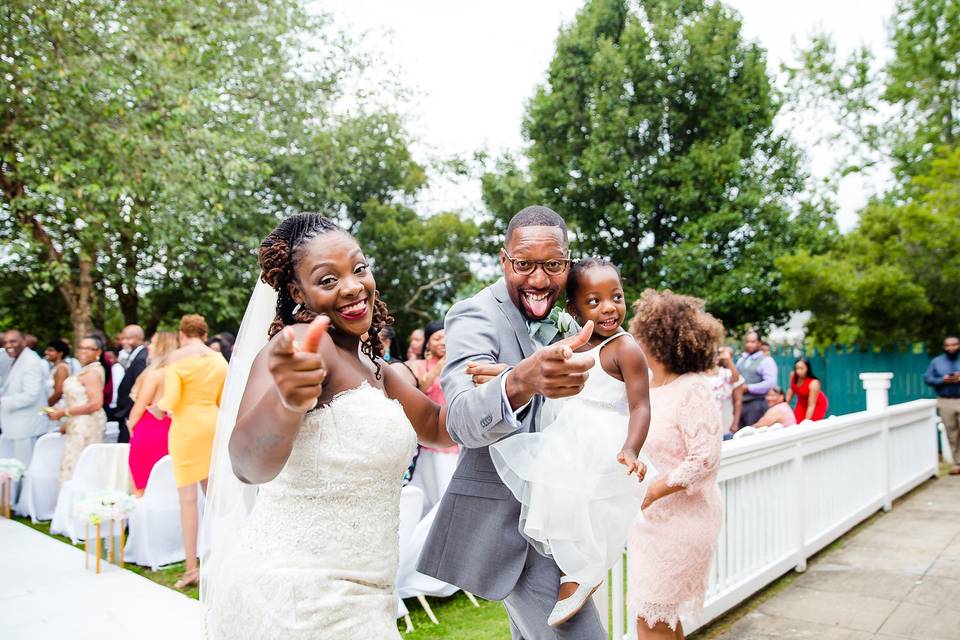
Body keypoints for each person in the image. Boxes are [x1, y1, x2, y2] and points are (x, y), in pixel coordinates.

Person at [203, 213, 453, 639]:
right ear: (297, 292)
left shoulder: (375, 367)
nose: (354, 286)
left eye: (359, 268)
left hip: (364, 596)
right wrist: (285, 401)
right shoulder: (300, 345)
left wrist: (518, 382)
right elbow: (247, 465)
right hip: (297, 599)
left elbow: (437, 428)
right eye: (328, 278)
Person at [418, 206, 607, 640]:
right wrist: (520, 379)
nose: (539, 280)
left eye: (553, 265)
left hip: (568, 519)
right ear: (504, 260)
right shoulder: (475, 315)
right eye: (523, 264)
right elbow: (461, 421)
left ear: (568, 262)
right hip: (517, 527)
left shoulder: (575, 315)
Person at [490, 258, 652, 627]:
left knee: (593, 512)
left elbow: (641, 405)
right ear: (573, 308)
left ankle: (581, 575)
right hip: (564, 435)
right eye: (594, 301)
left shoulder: (624, 348)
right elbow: (536, 368)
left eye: (616, 296)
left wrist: (631, 449)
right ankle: (575, 573)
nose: (609, 307)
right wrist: (504, 374)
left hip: (602, 438)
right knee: (559, 506)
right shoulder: (572, 343)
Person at [627, 289, 724, 639]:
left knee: (650, 619)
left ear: (658, 338)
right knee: (657, 617)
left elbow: (705, 458)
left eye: (639, 335)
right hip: (650, 522)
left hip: (681, 523)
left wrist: (653, 491)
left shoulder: (692, 388)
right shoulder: (648, 389)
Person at [157, 314, 227, 589]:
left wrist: (158, 405)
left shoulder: (175, 358)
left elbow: (171, 400)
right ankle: (230, 556)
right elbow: (223, 399)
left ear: (182, 333)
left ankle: (190, 569)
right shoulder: (218, 359)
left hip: (186, 427)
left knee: (187, 500)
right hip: (212, 424)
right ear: (204, 332)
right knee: (215, 498)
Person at [408, 320, 459, 513]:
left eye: (446, 337)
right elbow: (420, 389)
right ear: (427, 343)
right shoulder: (418, 365)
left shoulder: (458, 364)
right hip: (426, 436)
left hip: (451, 436)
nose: (443, 342)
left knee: (445, 490)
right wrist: (438, 368)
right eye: (437, 338)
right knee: (425, 493)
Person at [46, 335, 108, 486]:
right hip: (78, 422)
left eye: (89, 348)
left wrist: (63, 412)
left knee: (78, 465)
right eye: (81, 347)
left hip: (86, 425)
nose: (83, 351)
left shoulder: (92, 373)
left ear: (98, 352)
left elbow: (96, 404)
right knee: (73, 463)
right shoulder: (85, 370)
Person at [127, 331, 178, 495]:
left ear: (162, 347)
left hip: (148, 430)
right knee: (165, 485)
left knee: (141, 485)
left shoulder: (154, 375)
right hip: (170, 429)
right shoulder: (179, 373)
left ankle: (141, 518)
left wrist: (131, 426)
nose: (149, 346)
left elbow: (139, 408)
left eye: (154, 343)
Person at [0, 330, 48, 464]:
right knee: (13, 469)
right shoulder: (16, 359)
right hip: (16, 427)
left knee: (23, 468)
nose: (8, 345)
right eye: (6, 342)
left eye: (13, 341)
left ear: (24, 342)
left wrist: (2, 401)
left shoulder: (30, 361)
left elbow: (31, 395)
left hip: (26, 427)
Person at [924, 336, 960, 475]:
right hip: (945, 400)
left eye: (954, 344)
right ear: (945, 347)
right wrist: (943, 379)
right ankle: (957, 463)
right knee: (952, 433)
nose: (951, 348)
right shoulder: (937, 361)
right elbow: (928, 378)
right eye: (948, 345)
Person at [108, 324, 147, 443]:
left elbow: (140, 387)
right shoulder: (135, 356)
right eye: (123, 338)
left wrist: (128, 413)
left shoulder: (141, 359)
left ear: (139, 338)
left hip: (130, 413)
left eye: (128, 338)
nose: (124, 342)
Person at [735, 330, 777, 428]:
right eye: (747, 342)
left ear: (759, 343)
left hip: (757, 404)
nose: (749, 344)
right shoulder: (741, 360)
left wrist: (748, 388)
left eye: (753, 342)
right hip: (740, 405)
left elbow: (771, 383)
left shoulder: (766, 361)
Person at [704, 346, 743, 434]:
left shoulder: (725, 374)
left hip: (726, 423)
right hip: (707, 425)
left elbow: (736, 379)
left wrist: (728, 359)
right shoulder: (699, 376)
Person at [787, 358, 828, 423]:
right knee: (795, 423)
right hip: (801, 403)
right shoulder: (793, 375)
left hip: (816, 405)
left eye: (801, 368)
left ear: (807, 368)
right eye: (797, 368)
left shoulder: (814, 383)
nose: (798, 371)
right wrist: (786, 403)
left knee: (809, 425)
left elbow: (811, 405)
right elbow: (791, 389)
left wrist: (806, 421)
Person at [44, 339, 72, 409]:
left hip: (58, 407)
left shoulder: (61, 368)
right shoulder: (56, 367)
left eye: (50, 350)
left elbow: (59, 392)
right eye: (47, 350)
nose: (46, 352)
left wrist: (46, 405)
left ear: (60, 353)